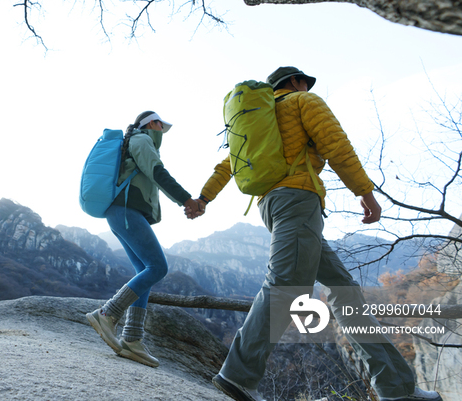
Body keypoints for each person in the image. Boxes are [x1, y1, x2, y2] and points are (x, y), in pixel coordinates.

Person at [188, 67, 443, 401]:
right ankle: (237, 374)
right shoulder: (302, 101)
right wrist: (365, 193)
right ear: (294, 82)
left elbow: (228, 165)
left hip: (272, 205)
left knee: (344, 292)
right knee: (285, 284)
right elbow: (336, 145)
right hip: (298, 201)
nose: (307, 86)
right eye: (304, 81)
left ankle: (397, 389)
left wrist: (204, 199)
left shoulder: (259, 120)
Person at [86, 110, 202, 368]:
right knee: (158, 267)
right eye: (162, 126)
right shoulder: (141, 140)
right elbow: (158, 173)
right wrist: (187, 200)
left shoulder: (137, 141)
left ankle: (132, 339)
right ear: (153, 123)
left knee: (144, 271)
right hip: (125, 211)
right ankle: (107, 314)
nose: (163, 132)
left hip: (122, 213)